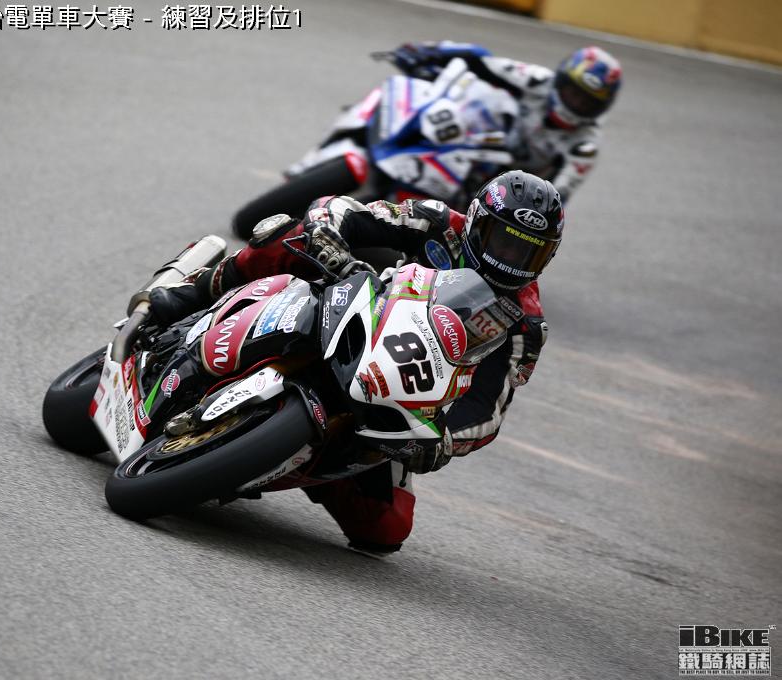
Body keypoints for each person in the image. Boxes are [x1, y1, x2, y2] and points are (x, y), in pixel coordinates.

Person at [150, 171, 563, 555]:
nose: (511, 258)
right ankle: (197, 289)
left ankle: (287, 458)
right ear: (475, 221)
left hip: (398, 388)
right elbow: (344, 209)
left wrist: (446, 442)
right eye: (503, 241)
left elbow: (487, 408)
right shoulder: (436, 222)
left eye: (529, 252)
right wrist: (327, 233)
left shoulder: (525, 324)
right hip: (354, 307)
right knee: (292, 234)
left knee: (387, 528)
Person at [381, 42, 621, 202]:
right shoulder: (537, 80)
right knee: (487, 102)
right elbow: (480, 60)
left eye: (587, 101)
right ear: (561, 81)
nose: (576, 103)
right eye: (573, 92)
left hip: (512, 192)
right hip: (485, 147)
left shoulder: (585, 146)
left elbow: (558, 197)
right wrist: (429, 52)